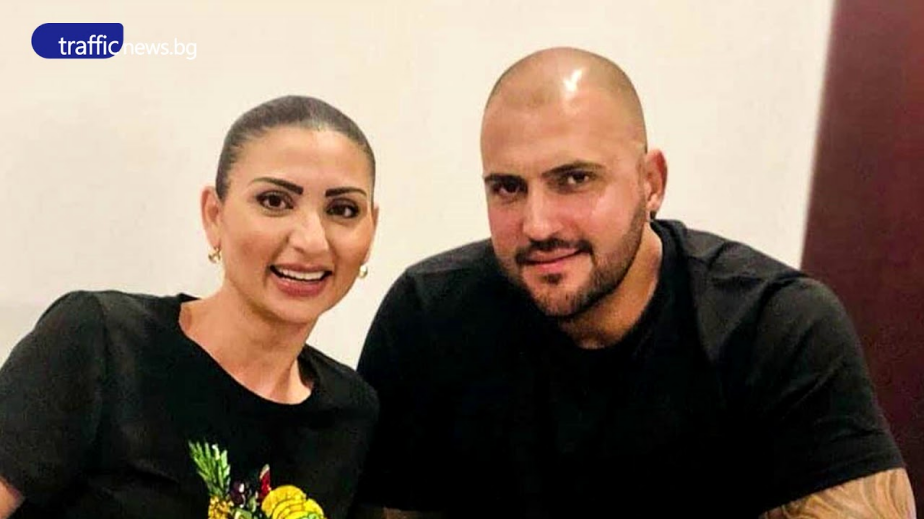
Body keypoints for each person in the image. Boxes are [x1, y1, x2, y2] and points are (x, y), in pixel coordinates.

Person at [355, 48, 915, 518]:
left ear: (652, 183)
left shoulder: (773, 329)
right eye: (508, 188)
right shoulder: (428, 320)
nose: (538, 224)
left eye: (574, 179)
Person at [0, 95, 380, 519]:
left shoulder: (351, 414)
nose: (311, 239)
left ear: (372, 230)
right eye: (275, 201)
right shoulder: (102, 341)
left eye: (342, 209)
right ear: (214, 215)